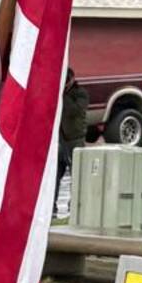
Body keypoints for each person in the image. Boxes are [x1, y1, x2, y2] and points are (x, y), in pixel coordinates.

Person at [54, 66, 89, 215]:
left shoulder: (80, 94)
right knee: (55, 175)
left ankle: (75, 205)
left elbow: (73, 111)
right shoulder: (58, 94)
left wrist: (63, 94)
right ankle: (51, 206)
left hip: (75, 140)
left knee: (77, 176)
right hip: (60, 140)